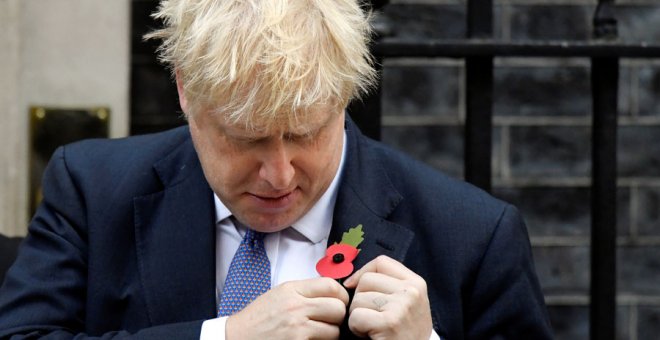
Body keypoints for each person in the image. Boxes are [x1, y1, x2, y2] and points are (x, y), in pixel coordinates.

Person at [0, 0, 552, 338]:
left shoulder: (474, 235)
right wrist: (224, 338)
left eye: (305, 133)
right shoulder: (92, 188)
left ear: (342, 99)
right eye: (247, 140)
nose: (280, 174)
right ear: (186, 94)